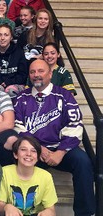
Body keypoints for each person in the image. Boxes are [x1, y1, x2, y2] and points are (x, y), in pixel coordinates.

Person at [12, 59, 95, 215]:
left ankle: (85, 212)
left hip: (60, 148)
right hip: (33, 149)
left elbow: (75, 125)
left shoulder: (64, 96)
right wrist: (38, 148)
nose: (36, 75)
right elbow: (18, 127)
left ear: (50, 73)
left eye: (40, 71)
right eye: (32, 72)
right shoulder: (21, 98)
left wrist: (61, 151)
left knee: (83, 162)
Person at [0, 136, 57, 216]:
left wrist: (49, 212)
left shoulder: (46, 176)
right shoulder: (5, 172)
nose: (29, 154)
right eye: (23, 150)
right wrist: (6, 207)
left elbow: (51, 210)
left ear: (38, 157)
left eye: (33, 151)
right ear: (15, 154)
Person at [0, 23, 28, 97]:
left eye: (6, 35)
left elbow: (23, 75)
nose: (2, 38)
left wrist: (8, 82)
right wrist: (0, 82)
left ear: (11, 37)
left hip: (16, 84)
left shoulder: (19, 52)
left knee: (11, 91)